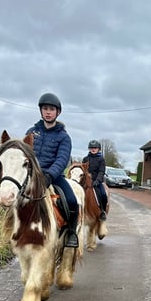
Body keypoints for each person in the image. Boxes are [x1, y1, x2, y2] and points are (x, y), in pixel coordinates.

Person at [25, 92, 80, 248]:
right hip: (31, 174)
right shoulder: (31, 132)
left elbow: (62, 159)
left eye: (51, 109)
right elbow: (25, 153)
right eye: (45, 108)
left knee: (72, 201)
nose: (48, 112)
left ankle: (71, 232)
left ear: (58, 112)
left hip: (53, 176)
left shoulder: (64, 137)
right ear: (41, 111)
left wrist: (49, 175)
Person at [82, 140, 108, 221]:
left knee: (103, 194)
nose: (93, 149)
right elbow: (83, 170)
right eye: (91, 148)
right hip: (86, 182)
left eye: (95, 148)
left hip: (97, 182)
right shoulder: (85, 159)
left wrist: (97, 181)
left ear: (98, 149)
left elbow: (101, 171)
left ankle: (102, 211)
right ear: (89, 149)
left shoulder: (101, 159)